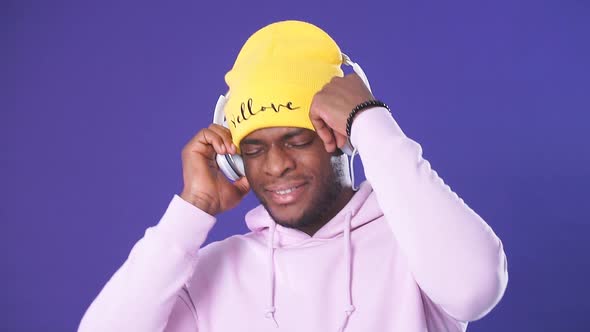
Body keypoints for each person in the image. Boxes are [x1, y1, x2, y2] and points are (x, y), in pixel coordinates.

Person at [78, 20, 508, 332]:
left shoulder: (418, 244)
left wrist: (371, 120)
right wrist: (194, 210)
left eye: (297, 139)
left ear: (340, 136)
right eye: (254, 148)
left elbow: (475, 289)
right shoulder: (210, 273)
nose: (275, 164)